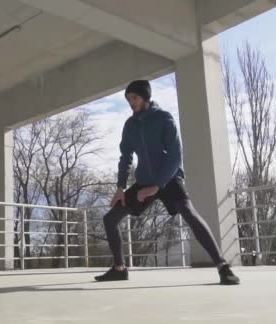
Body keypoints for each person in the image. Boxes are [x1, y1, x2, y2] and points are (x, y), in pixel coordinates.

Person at [94, 80, 240, 285]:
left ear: (145, 97)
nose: (130, 102)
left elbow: (175, 155)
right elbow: (125, 157)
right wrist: (120, 187)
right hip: (144, 182)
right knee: (110, 219)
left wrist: (158, 185)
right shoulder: (130, 125)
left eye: (134, 98)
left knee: (190, 214)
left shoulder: (163, 118)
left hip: (169, 179)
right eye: (128, 99)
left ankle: (223, 267)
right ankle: (119, 268)